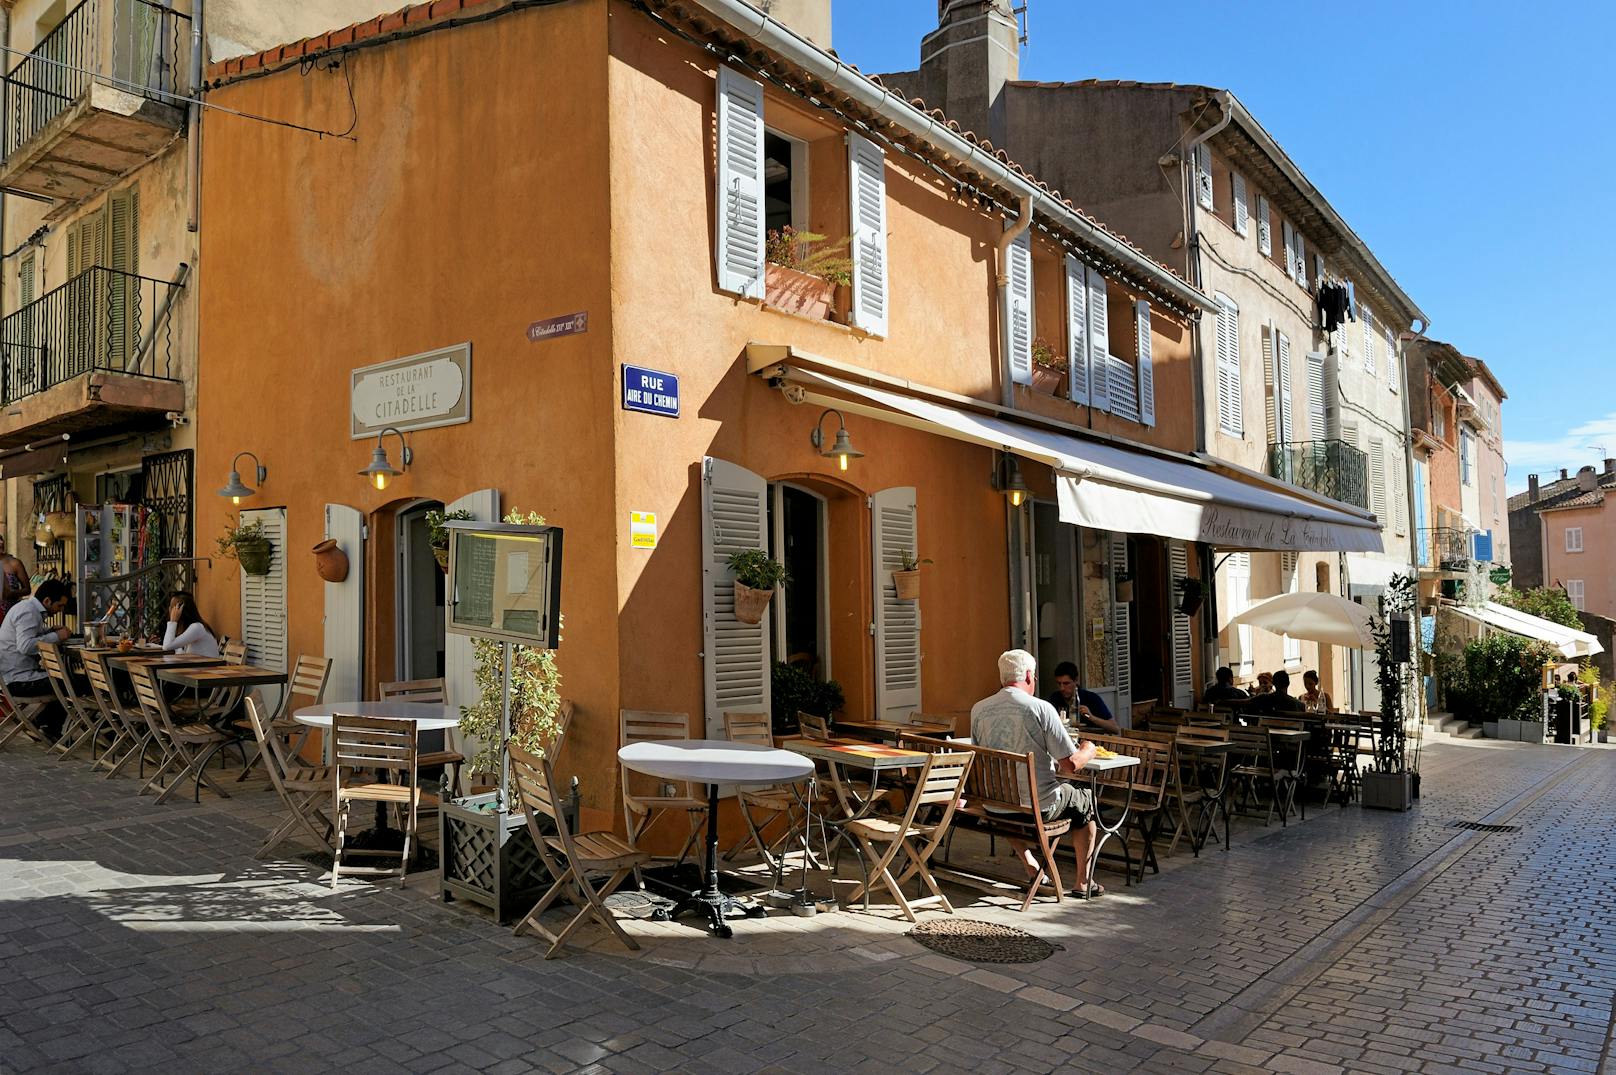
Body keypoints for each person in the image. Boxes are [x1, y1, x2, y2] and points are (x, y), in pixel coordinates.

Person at [971, 649, 1104, 897]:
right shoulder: (1041, 708)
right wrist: (1088, 749)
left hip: (996, 805)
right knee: (1085, 799)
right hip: (1038, 808)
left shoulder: (979, 709)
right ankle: (1083, 882)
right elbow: (1070, 765)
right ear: (1030, 676)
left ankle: (1032, 865)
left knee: (1009, 803)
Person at [0, 578, 72, 740]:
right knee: (70, 680)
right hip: (18, 680)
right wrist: (56, 636)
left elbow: (28, 634)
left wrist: (49, 631)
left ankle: (43, 723)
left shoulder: (27, 608)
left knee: (64, 677)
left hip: (12, 676)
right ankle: (50, 728)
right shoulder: (28, 611)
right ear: (47, 600)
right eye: (59, 605)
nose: (60, 610)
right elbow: (25, 646)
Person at [1043, 660, 1120, 734]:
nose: (1062, 688)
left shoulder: (1091, 698)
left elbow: (1115, 729)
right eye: (1059, 684)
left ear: (1076, 680)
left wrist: (1092, 717)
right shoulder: (1055, 698)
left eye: (1066, 683)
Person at [154, 592, 221, 657]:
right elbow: (178, 651)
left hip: (209, 667)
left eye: (172, 607)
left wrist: (173, 621)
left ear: (180, 609)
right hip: (199, 666)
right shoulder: (188, 627)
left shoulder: (197, 627)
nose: (170, 610)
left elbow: (167, 647)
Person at [0, 554, 29, 624]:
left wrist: (11, 593)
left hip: (10, 612)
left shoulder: (14, 563)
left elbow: (27, 589)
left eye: (2, 541)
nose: (1, 542)